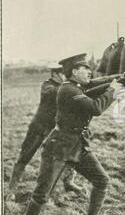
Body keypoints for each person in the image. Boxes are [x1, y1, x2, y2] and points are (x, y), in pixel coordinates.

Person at [21, 53, 123, 215]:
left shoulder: (78, 88)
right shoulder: (67, 89)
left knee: (102, 181)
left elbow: (96, 90)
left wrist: (124, 82)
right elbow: (95, 108)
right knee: (42, 194)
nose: (90, 72)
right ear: (74, 71)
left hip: (77, 144)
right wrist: (113, 89)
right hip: (58, 147)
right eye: (85, 69)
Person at [6, 63, 82, 201]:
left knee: (70, 153)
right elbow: (53, 93)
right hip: (39, 128)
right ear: (55, 74)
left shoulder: (69, 87)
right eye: (64, 74)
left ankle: (68, 182)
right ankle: (12, 188)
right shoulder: (47, 86)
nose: (67, 77)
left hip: (56, 129)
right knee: (25, 156)